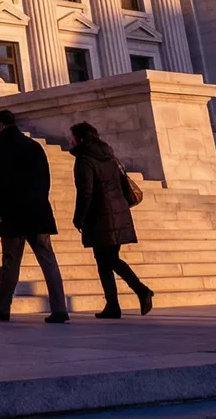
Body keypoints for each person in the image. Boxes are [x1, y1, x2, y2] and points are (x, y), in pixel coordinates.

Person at [0, 109, 70, 324]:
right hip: (38, 211)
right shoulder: (34, 146)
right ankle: (59, 308)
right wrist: (40, 202)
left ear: (1, 124)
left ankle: (2, 305)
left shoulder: (3, 145)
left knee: (10, 262)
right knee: (48, 261)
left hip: (13, 213)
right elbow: (46, 179)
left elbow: (0, 180)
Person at [68, 121, 154, 319]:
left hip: (101, 217)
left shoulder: (84, 159)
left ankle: (141, 290)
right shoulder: (108, 155)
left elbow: (86, 192)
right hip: (118, 212)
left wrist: (79, 217)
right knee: (106, 260)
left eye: (72, 137)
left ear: (80, 138)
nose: (70, 140)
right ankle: (113, 305)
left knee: (107, 259)